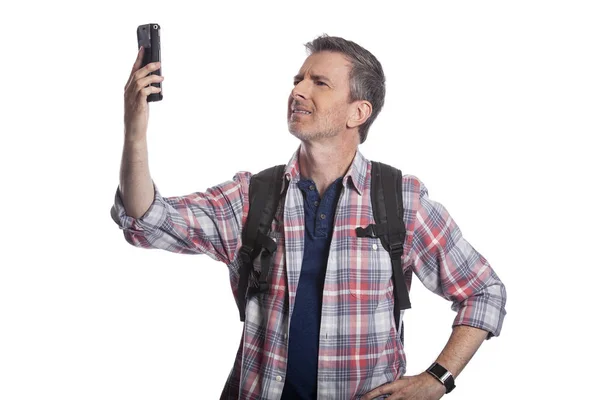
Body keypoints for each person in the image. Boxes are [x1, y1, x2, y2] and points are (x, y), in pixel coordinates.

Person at [111, 34, 507, 400]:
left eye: (319, 82)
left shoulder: (401, 200)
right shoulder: (254, 196)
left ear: (358, 112)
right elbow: (147, 218)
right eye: (298, 79)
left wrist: (438, 379)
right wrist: (134, 131)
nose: (297, 91)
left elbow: (484, 291)